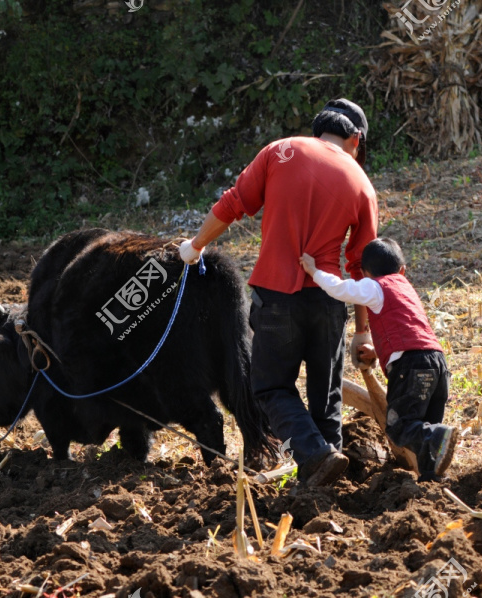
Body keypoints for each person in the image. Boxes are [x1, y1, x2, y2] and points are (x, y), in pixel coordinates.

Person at [179, 99, 378, 486]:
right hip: (329, 302)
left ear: (318, 130)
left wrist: (195, 246)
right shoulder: (361, 183)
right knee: (326, 397)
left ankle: (317, 456)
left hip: (276, 298)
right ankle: (330, 482)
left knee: (270, 387)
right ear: (355, 139)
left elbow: (234, 203)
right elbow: (361, 268)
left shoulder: (280, 150)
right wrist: (362, 331)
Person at [299, 238, 459, 481]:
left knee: (400, 426)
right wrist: (378, 351)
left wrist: (314, 271)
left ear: (364, 273)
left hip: (411, 367)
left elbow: (340, 289)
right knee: (425, 432)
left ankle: (438, 438)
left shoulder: (374, 286)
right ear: (402, 269)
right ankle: (432, 479)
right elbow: (407, 331)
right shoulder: (405, 287)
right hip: (437, 363)